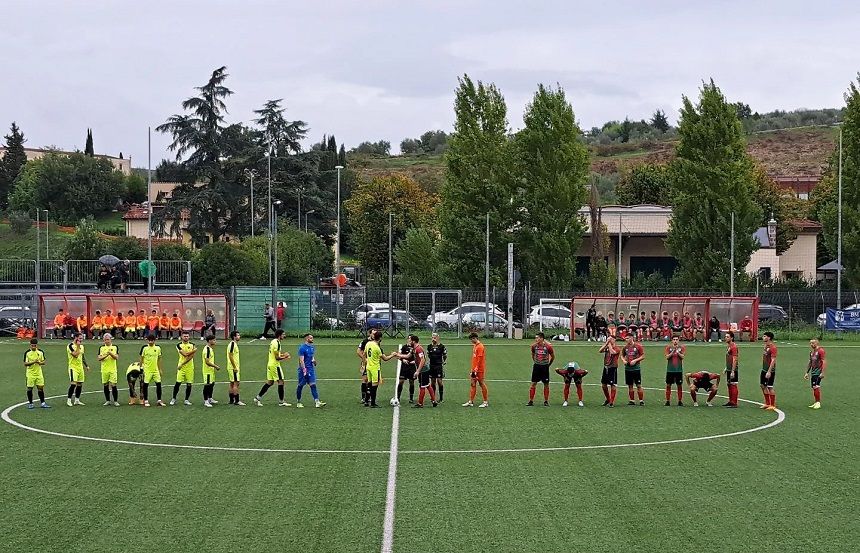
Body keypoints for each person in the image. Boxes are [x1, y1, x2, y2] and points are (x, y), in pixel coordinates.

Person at [253, 328, 292, 406]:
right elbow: (277, 358)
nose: (285, 336)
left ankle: (257, 398)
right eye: (283, 334)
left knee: (270, 382)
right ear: (279, 335)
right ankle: (281, 401)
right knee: (281, 381)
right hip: (275, 365)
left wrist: (283, 354)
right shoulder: (277, 343)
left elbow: (275, 354)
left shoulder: (273, 341)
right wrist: (285, 357)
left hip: (270, 364)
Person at [363, 329, 399, 407]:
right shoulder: (377, 348)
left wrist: (364, 363)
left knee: (369, 384)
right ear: (380, 338)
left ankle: (366, 401)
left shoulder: (368, 343)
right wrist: (393, 355)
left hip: (368, 367)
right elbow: (385, 358)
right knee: (374, 386)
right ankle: (373, 403)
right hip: (375, 368)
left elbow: (364, 354)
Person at [296, 333, 325, 408]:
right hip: (304, 370)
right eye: (311, 338)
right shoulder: (302, 348)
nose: (312, 339)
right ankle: (298, 402)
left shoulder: (312, 347)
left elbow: (311, 356)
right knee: (300, 385)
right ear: (307, 339)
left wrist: (313, 361)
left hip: (311, 369)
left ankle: (317, 401)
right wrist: (304, 370)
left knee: (313, 385)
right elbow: (301, 360)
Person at [404, 335, 434, 408]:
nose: (409, 341)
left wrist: (417, 371)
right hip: (424, 369)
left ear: (413, 341)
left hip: (423, 370)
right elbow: (407, 356)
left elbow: (423, 360)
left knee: (422, 386)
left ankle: (420, 403)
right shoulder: (414, 348)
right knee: (427, 385)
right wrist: (397, 355)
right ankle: (434, 400)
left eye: (410, 340)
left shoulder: (418, 349)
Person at [527, 332, 554, 406]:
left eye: (537, 338)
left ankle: (546, 401)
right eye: (535, 338)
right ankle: (531, 401)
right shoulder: (534, 346)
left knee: (546, 384)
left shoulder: (548, 347)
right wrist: (536, 362)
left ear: (542, 338)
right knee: (533, 383)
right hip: (537, 367)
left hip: (545, 367)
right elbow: (533, 355)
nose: (536, 339)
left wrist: (548, 365)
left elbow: (553, 357)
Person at [170, 331, 197, 406]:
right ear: (182, 337)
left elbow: (191, 357)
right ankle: (174, 398)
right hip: (181, 367)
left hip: (189, 367)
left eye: (187, 336)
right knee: (178, 383)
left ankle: (186, 400)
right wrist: (194, 350)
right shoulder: (179, 345)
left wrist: (183, 363)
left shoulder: (192, 345)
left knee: (189, 384)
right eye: (184, 336)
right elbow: (185, 354)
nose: (186, 337)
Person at [463, 332, 489, 408]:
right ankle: (471, 401)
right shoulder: (475, 346)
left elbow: (479, 359)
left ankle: (485, 402)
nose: (471, 341)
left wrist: (476, 369)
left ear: (475, 338)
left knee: (481, 383)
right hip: (474, 369)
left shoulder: (480, 347)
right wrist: (472, 369)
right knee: (472, 384)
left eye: (471, 339)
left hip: (479, 369)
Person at [139, 334, 165, 407]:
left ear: (154, 340)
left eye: (152, 340)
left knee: (158, 384)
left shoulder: (158, 348)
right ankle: (146, 400)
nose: (150, 342)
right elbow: (141, 358)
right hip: (147, 370)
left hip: (155, 370)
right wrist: (140, 368)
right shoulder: (144, 348)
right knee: (146, 385)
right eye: (149, 340)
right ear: (147, 340)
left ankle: (159, 400)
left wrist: (160, 369)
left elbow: (159, 359)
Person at [24, 338, 50, 409]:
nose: (33, 347)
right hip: (30, 373)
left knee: (40, 388)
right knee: (29, 388)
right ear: (30, 345)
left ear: (37, 345)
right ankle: (30, 403)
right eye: (32, 346)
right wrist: (33, 362)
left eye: (34, 346)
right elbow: (25, 363)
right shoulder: (27, 353)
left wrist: (39, 362)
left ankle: (43, 403)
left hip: (39, 373)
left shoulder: (40, 352)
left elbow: (43, 362)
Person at [621, 334, 646, 406]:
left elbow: (643, 356)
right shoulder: (625, 347)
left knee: (638, 385)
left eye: (627, 338)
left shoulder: (638, 346)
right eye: (625, 338)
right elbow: (622, 355)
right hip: (628, 369)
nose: (626, 340)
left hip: (636, 368)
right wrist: (624, 361)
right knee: (630, 385)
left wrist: (635, 360)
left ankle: (641, 400)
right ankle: (632, 400)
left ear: (632, 338)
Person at [65, 333, 89, 407]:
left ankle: (77, 400)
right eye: (80, 338)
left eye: (82, 338)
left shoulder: (82, 346)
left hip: (80, 367)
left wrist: (86, 365)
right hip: (73, 367)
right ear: (75, 338)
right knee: (73, 384)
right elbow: (75, 355)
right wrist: (78, 346)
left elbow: (82, 356)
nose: (81, 340)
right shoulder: (70, 346)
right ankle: (69, 400)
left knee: (80, 384)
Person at [97, 333, 120, 407]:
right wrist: (106, 355)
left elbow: (116, 357)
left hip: (113, 369)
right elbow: (99, 358)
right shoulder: (101, 348)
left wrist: (110, 353)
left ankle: (116, 401)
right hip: (104, 369)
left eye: (108, 339)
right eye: (105, 340)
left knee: (113, 385)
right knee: (105, 385)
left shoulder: (115, 347)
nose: (106, 341)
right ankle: (108, 400)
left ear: (111, 339)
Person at [805, 339, 826, 409]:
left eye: (813, 343)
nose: (811, 344)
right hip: (813, 372)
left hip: (818, 372)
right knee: (814, 387)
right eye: (810, 343)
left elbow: (824, 362)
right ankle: (816, 402)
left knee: (816, 386)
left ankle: (818, 402)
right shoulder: (811, 352)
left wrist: (822, 372)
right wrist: (807, 372)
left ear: (817, 343)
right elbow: (810, 362)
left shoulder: (821, 351)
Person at [665, 336, 686, 406]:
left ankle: (680, 401)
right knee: (668, 385)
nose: (675, 341)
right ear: (672, 341)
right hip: (670, 370)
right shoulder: (668, 347)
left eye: (676, 339)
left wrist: (678, 352)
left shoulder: (682, 347)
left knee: (679, 385)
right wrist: (673, 352)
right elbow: (667, 357)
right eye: (674, 339)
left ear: (678, 340)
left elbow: (683, 357)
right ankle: (667, 401)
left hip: (678, 370)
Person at [426, 333, 447, 402]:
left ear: (438, 338)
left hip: (438, 366)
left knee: (439, 381)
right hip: (432, 366)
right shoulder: (429, 346)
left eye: (435, 337)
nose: (433, 339)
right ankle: (433, 397)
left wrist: (443, 361)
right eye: (432, 337)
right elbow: (428, 355)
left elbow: (445, 355)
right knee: (432, 382)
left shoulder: (442, 346)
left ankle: (441, 398)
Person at [599, 336, 619, 407]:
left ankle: (611, 401)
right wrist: (606, 343)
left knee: (612, 384)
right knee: (604, 385)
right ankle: (608, 399)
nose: (610, 340)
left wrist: (609, 344)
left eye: (611, 339)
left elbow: (613, 352)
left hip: (612, 368)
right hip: (606, 367)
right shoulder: (607, 347)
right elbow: (600, 350)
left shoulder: (617, 348)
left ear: (614, 340)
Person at [760, 331, 778, 411]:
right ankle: (767, 403)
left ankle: (773, 404)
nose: (763, 337)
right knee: (762, 385)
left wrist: (769, 371)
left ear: (769, 338)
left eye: (764, 336)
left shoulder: (773, 347)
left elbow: (773, 360)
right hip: (764, 369)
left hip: (769, 370)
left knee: (770, 386)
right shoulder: (765, 346)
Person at [201, 335, 220, 408]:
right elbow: (207, 362)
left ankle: (210, 398)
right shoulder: (207, 350)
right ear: (209, 341)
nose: (215, 341)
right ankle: (206, 401)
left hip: (211, 371)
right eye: (214, 340)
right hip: (207, 371)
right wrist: (216, 366)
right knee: (207, 386)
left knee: (212, 384)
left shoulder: (210, 349)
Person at [226, 331, 244, 405]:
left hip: (232, 367)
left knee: (232, 383)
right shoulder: (233, 344)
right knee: (236, 383)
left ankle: (231, 400)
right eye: (238, 335)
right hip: (233, 367)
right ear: (234, 336)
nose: (239, 336)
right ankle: (237, 401)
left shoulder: (233, 344)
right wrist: (234, 367)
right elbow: (230, 356)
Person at [723, 331, 739, 408]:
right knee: (729, 384)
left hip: (733, 369)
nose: (725, 338)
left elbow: (735, 359)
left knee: (733, 384)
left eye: (727, 337)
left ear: (732, 338)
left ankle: (734, 402)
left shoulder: (734, 347)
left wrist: (733, 371)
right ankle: (731, 401)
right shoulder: (729, 346)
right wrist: (726, 367)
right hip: (729, 368)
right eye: (725, 336)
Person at [357, 332, 370, 404]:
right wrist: (364, 360)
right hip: (366, 363)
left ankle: (368, 397)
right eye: (373, 333)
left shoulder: (376, 341)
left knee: (370, 380)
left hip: (373, 364)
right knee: (365, 379)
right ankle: (363, 397)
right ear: (370, 334)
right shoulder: (364, 341)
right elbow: (358, 352)